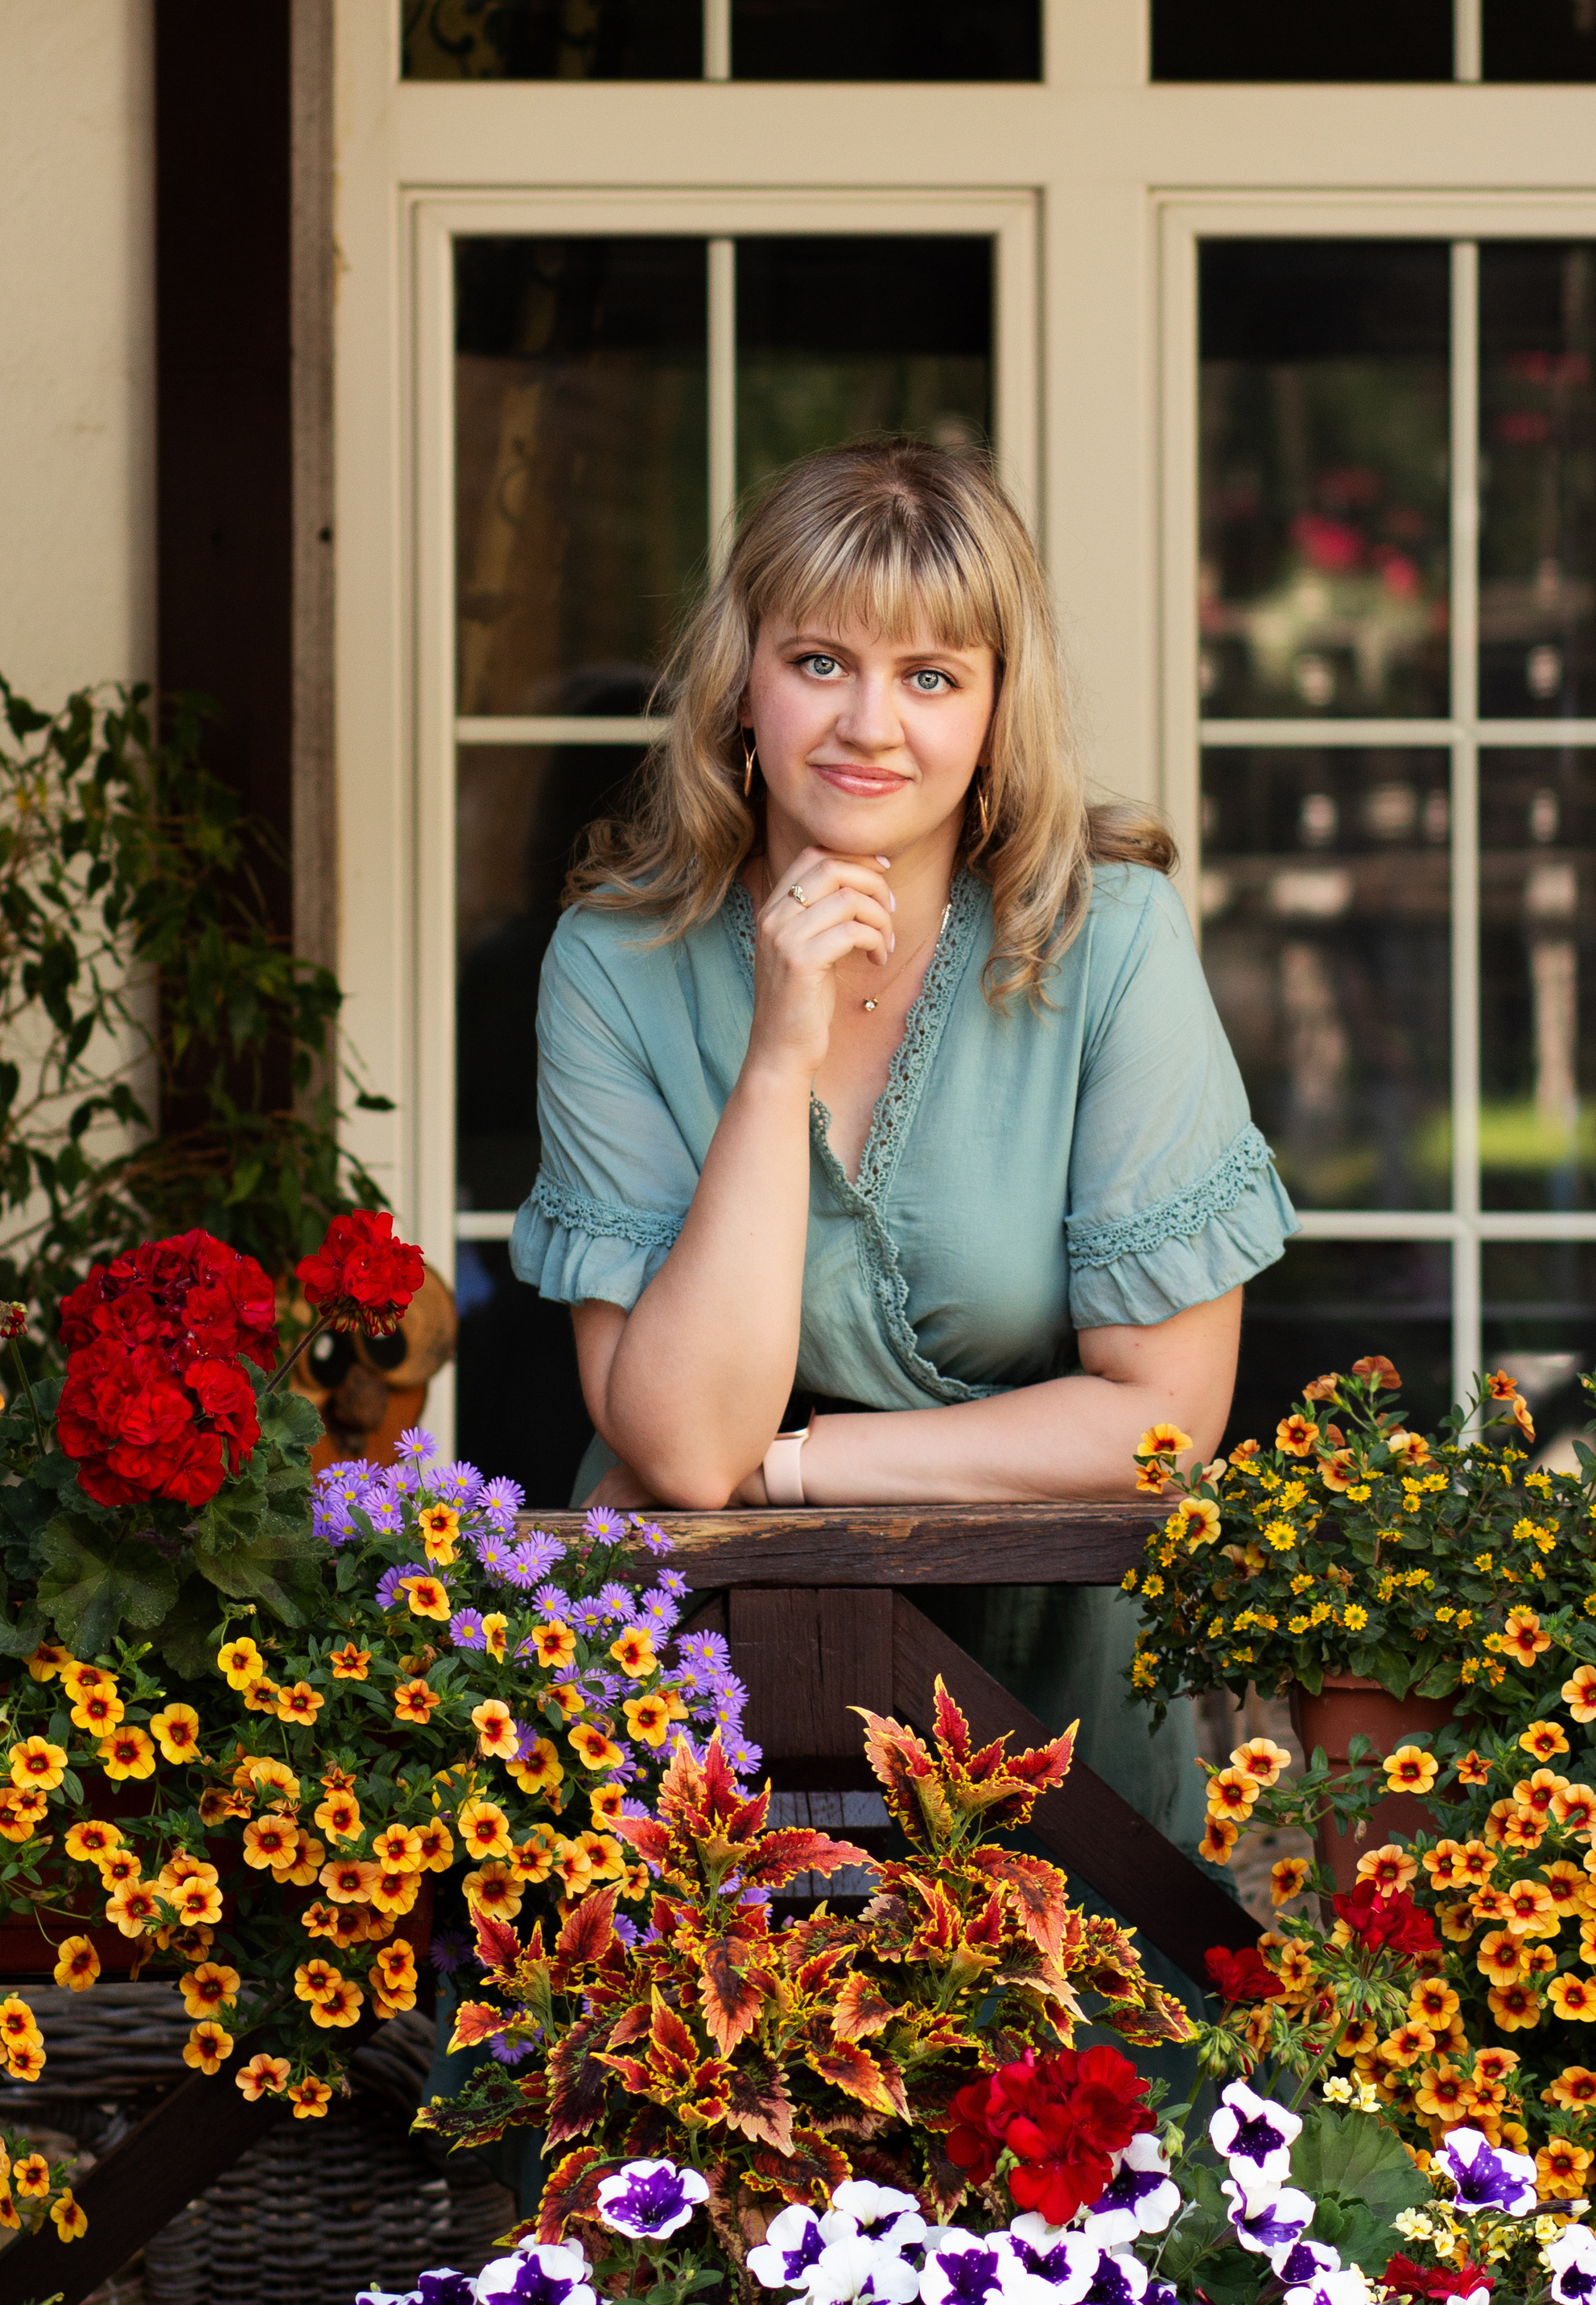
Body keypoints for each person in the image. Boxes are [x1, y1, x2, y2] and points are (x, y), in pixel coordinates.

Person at [509, 439, 1296, 1847]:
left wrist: (800, 1468)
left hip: (1051, 1697)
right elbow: (686, 1447)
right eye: (820, 661)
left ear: (996, 713)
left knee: (1089, 2067)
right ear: (741, 684)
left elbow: (1161, 1424)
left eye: (931, 677)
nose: (870, 725)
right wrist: (779, 1056)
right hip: (696, 1689)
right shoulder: (614, 965)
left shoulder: (1106, 944)